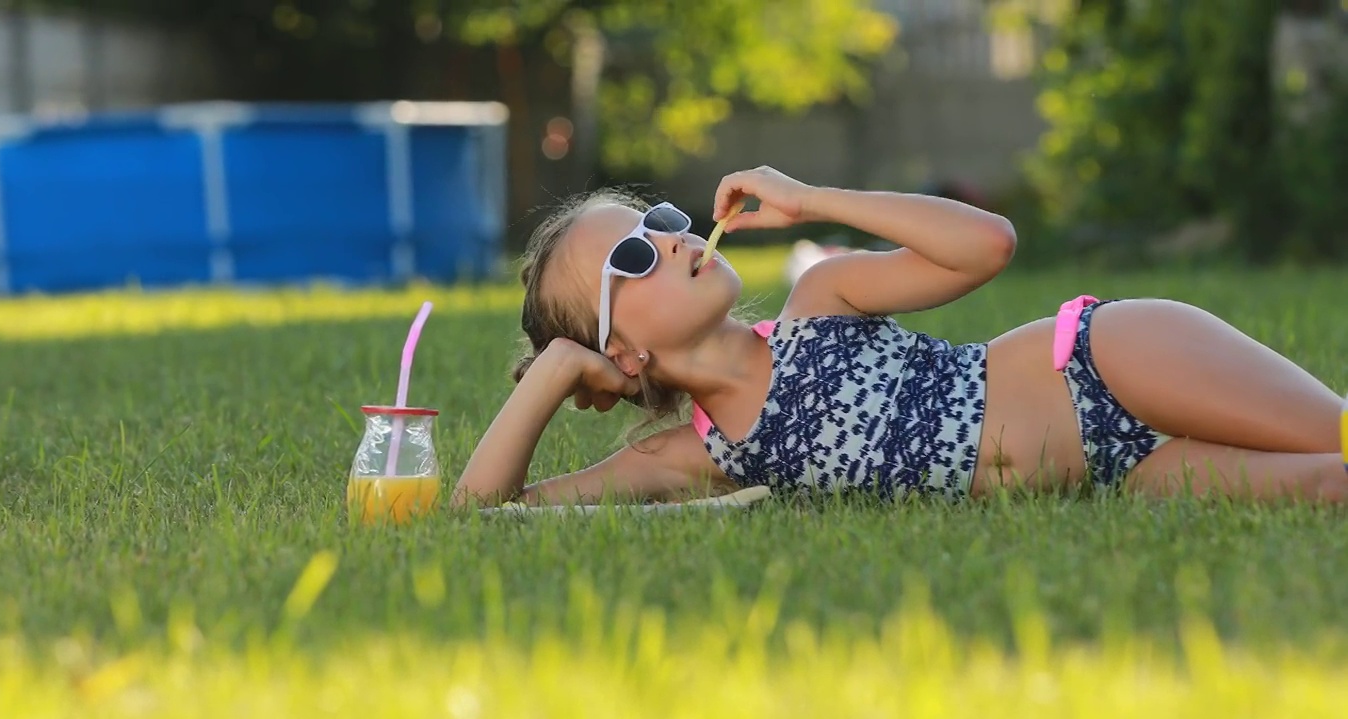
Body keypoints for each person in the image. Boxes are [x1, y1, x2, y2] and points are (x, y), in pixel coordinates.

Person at [452, 166, 1348, 507]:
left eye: (659, 217)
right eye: (638, 256)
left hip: (1107, 361)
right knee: (1330, 485)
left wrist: (808, 201)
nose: (677, 237)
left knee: (1334, 432)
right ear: (623, 353)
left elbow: (985, 245)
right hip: (1120, 475)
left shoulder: (821, 298)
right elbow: (481, 512)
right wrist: (555, 370)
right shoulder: (708, 456)